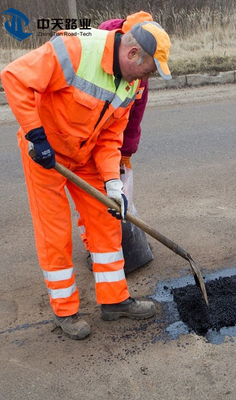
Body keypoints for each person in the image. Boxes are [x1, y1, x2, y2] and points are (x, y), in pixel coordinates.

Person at [1, 20, 171, 340]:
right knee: (55, 232)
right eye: (148, 70)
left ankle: (114, 301)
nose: (147, 79)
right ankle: (65, 311)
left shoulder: (130, 83)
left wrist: (113, 184)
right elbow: (14, 77)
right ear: (133, 53)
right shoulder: (76, 48)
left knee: (106, 224)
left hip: (87, 155)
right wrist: (37, 137)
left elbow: (110, 136)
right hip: (45, 154)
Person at [77, 11, 153, 257]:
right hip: (80, 138)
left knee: (115, 193)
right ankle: (93, 244)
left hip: (109, 138)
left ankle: (119, 248)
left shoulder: (139, 65)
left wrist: (126, 151)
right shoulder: (95, 51)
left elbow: (135, 111)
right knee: (90, 197)